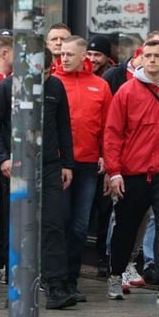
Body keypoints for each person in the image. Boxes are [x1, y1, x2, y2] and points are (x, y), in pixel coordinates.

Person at [102, 39, 159, 307]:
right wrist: (115, 171)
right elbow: (112, 133)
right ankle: (116, 273)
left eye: (158, 56)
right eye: (148, 55)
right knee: (127, 226)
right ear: (140, 59)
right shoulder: (127, 92)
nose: (152, 60)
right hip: (134, 171)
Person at [0, 49, 77, 309]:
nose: (42, 78)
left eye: (46, 73)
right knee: (19, 226)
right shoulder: (6, 87)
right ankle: (18, 288)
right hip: (18, 165)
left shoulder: (55, 87)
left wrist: (67, 163)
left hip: (48, 165)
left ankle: (56, 287)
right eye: (38, 73)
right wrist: (3, 158)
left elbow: (63, 127)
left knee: (53, 224)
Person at [54, 35, 112, 301]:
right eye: (61, 54)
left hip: (88, 164)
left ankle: (71, 280)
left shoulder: (100, 86)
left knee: (79, 225)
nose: (63, 58)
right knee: (61, 221)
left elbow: (108, 128)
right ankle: (54, 278)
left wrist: (107, 160)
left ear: (83, 57)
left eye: (68, 54)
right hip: (58, 163)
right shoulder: (53, 83)